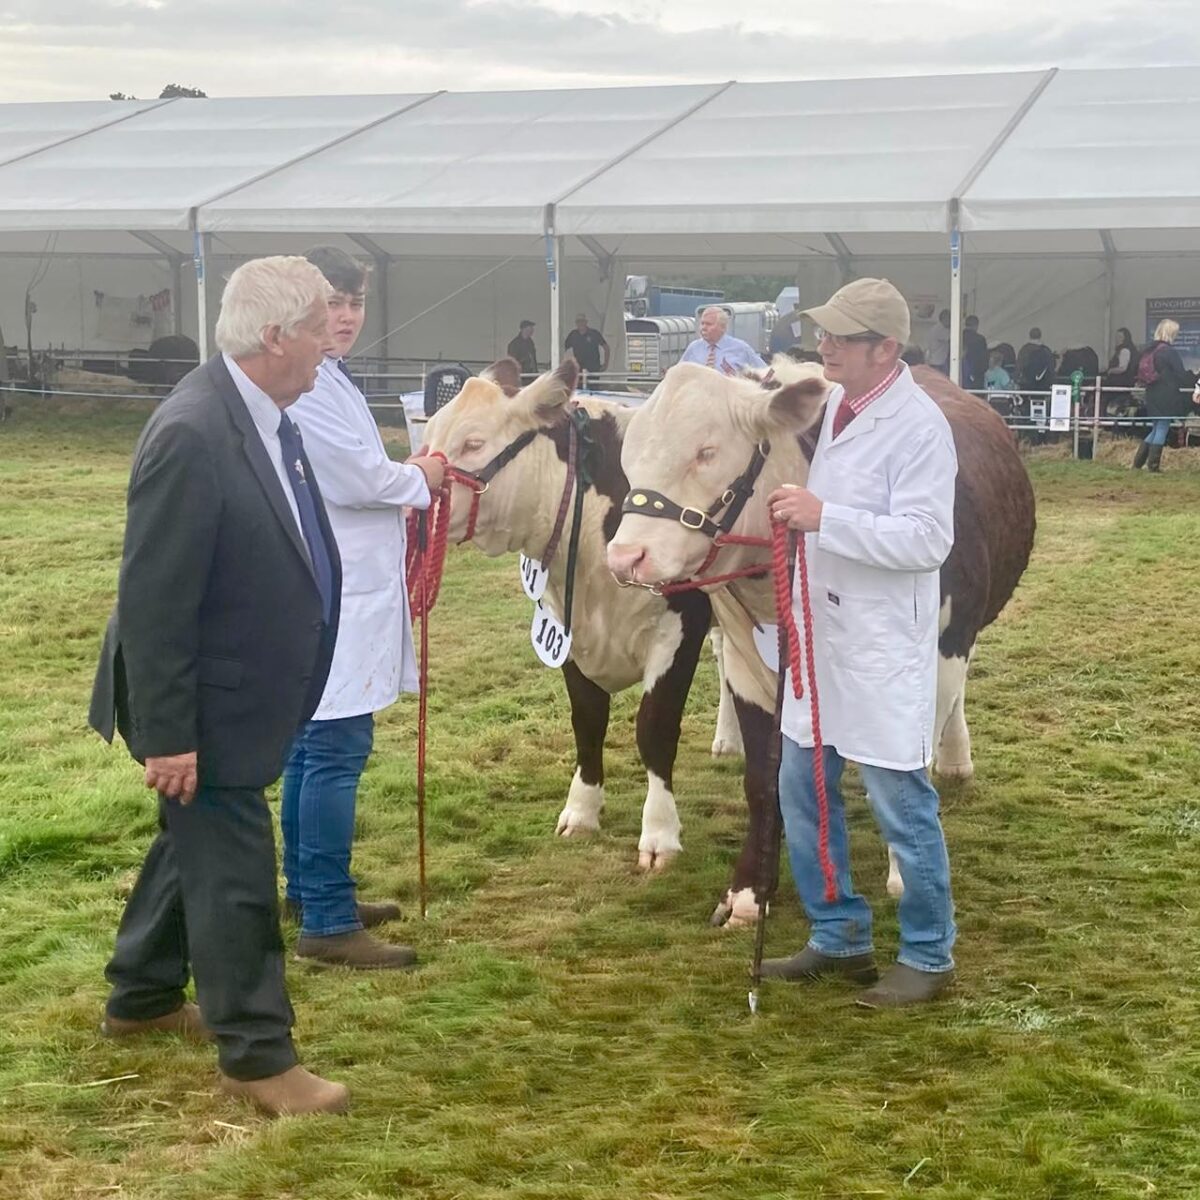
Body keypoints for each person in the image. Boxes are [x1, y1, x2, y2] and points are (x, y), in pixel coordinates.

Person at [90, 256, 352, 1116]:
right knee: (235, 872)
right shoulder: (192, 433)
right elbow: (154, 600)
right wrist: (167, 736)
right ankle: (257, 1056)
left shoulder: (270, 415)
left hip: (242, 697)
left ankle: (142, 996)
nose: (331, 341)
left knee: (191, 840)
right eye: (321, 325)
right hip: (204, 706)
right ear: (276, 336)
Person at [762, 277, 958, 1009]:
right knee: (803, 788)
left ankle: (928, 954)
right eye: (825, 333)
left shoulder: (920, 427)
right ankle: (838, 933)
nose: (825, 346)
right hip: (822, 638)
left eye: (842, 337)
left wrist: (823, 517)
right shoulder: (844, 401)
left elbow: (929, 538)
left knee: (899, 801)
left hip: (877, 646)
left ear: (887, 348)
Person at [282, 247, 445, 968]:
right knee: (332, 749)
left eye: (354, 303)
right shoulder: (308, 388)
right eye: (332, 304)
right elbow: (353, 478)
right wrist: (422, 474)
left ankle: (312, 890)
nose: (345, 317)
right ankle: (325, 917)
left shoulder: (329, 375)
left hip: (340, 583)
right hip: (333, 589)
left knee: (307, 746)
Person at [1132, 319, 1190, 471]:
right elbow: (1181, 374)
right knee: (1162, 427)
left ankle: (1137, 463)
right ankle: (1153, 466)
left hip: (1151, 392)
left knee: (1156, 427)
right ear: (1171, 333)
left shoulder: (1150, 350)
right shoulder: (1169, 351)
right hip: (1166, 392)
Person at [680, 306, 766, 374]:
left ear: (723, 327)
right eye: (702, 323)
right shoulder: (693, 348)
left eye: (708, 324)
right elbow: (679, 375)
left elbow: (766, 373)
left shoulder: (741, 348)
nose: (703, 328)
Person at [563, 312, 610, 382]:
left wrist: (606, 364)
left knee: (594, 390)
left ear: (586, 322)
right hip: (578, 370)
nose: (580, 323)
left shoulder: (594, 333)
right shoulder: (573, 335)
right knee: (579, 391)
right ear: (576, 323)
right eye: (578, 321)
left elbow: (606, 347)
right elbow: (563, 349)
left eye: (582, 321)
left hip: (593, 369)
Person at [1017, 327, 1055, 392]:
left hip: (1027, 384)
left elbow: (1019, 367)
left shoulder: (1024, 350)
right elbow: (1051, 368)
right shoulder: (1046, 350)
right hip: (1044, 385)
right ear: (1040, 336)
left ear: (1030, 336)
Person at [961, 316, 988, 391]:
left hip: (959, 373)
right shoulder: (980, 339)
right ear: (976, 325)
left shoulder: (957, 337)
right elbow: (984, 359)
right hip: (977, 375)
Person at [926, 308, 951, 374]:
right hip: (938, 362)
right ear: (944, 319)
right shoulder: (940, 329)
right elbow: (950, 339)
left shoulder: (935, 328)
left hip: (936, 360)